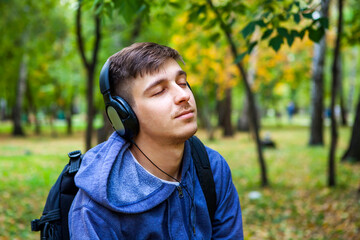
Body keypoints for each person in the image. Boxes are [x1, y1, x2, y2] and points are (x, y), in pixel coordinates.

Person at [68, 42, 243, 239]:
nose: (183, 95)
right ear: (123, 114)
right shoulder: (94, 208)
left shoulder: (212, 168)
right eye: (159, 91)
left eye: (183, 83)